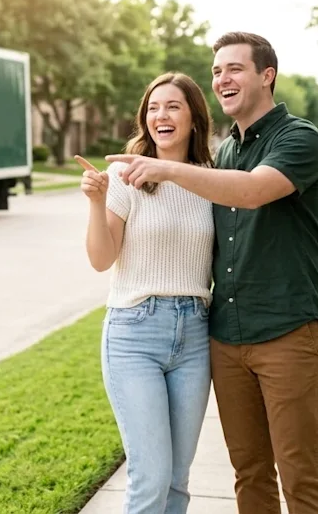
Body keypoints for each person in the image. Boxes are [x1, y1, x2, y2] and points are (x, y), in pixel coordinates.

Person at [106, 31, 318, 514]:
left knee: (301, 474)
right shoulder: (224, 154)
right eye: (216, 71)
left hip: (290, 331)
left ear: (266, 75)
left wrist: (165, 169)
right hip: (226, 339)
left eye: (234, 68)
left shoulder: (299, 138)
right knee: (249, 473)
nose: (222, 79)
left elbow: (252, 191)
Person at [78, 71, 217, 514]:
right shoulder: (125, 176)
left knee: (177, 480)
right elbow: (102, 259)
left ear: (194, 117)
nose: (162, 115)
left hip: (195, 335)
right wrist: (98, 202)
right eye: (154, 108)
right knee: (151, 477)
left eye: (173, 106)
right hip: (135, 333)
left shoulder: (210, 180)